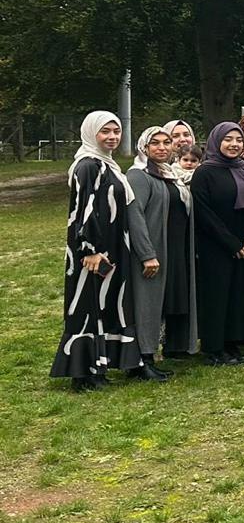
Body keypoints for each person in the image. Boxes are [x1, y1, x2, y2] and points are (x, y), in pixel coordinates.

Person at [51, 112, 148, 389]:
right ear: (91, 133)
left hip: (114, 246)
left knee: (107, 306)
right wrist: (90, 249)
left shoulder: (108, 165)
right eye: (105, 131)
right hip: (92, 250)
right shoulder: (87, 166)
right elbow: (83, 211)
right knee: (87, 306)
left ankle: (100, 366)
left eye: (116, 132)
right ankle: (83, 373)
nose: (112, 137)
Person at [191, 122, 244, 366]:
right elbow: (204, 213)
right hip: (217, 246)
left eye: (238, 140)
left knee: (237, 295)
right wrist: (232, 244)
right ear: (216, 142)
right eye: (228, 139)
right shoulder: (204, 172)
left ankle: (233, 342)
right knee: (217, 296)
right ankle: (214, 347)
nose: (234, 144)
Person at [125, 127, 186, 377]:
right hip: (149, 252)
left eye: (166, 142)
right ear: (144, 147)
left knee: (156, 304)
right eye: (155, 143)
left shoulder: (166, 173)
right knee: (145, 304)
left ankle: (150, 356)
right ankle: (141, 362)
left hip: (168, 247)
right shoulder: (139, 175)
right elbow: (134, 215)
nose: (162, 147)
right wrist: (147, 254)